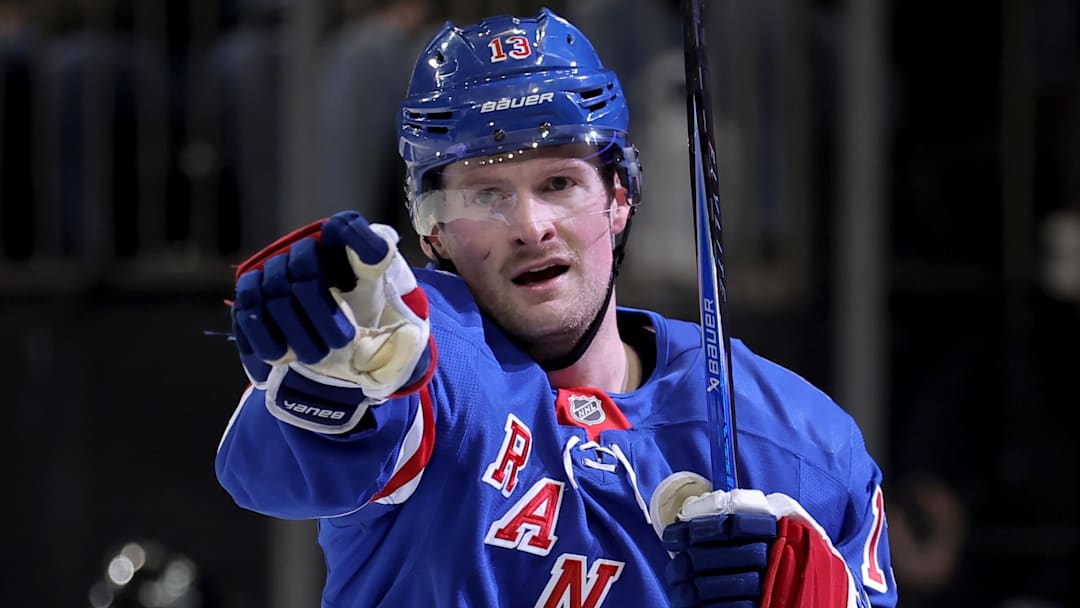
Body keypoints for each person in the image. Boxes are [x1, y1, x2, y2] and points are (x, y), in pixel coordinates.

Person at [216, 8, 897, 607]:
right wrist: (329, 389)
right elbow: (273, 472)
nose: (530, 224)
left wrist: (821, 598)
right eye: (485, 194)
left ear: (621, 196)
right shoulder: (427, 360)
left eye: (560, 181)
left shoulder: (792, 440)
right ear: (431, 230)